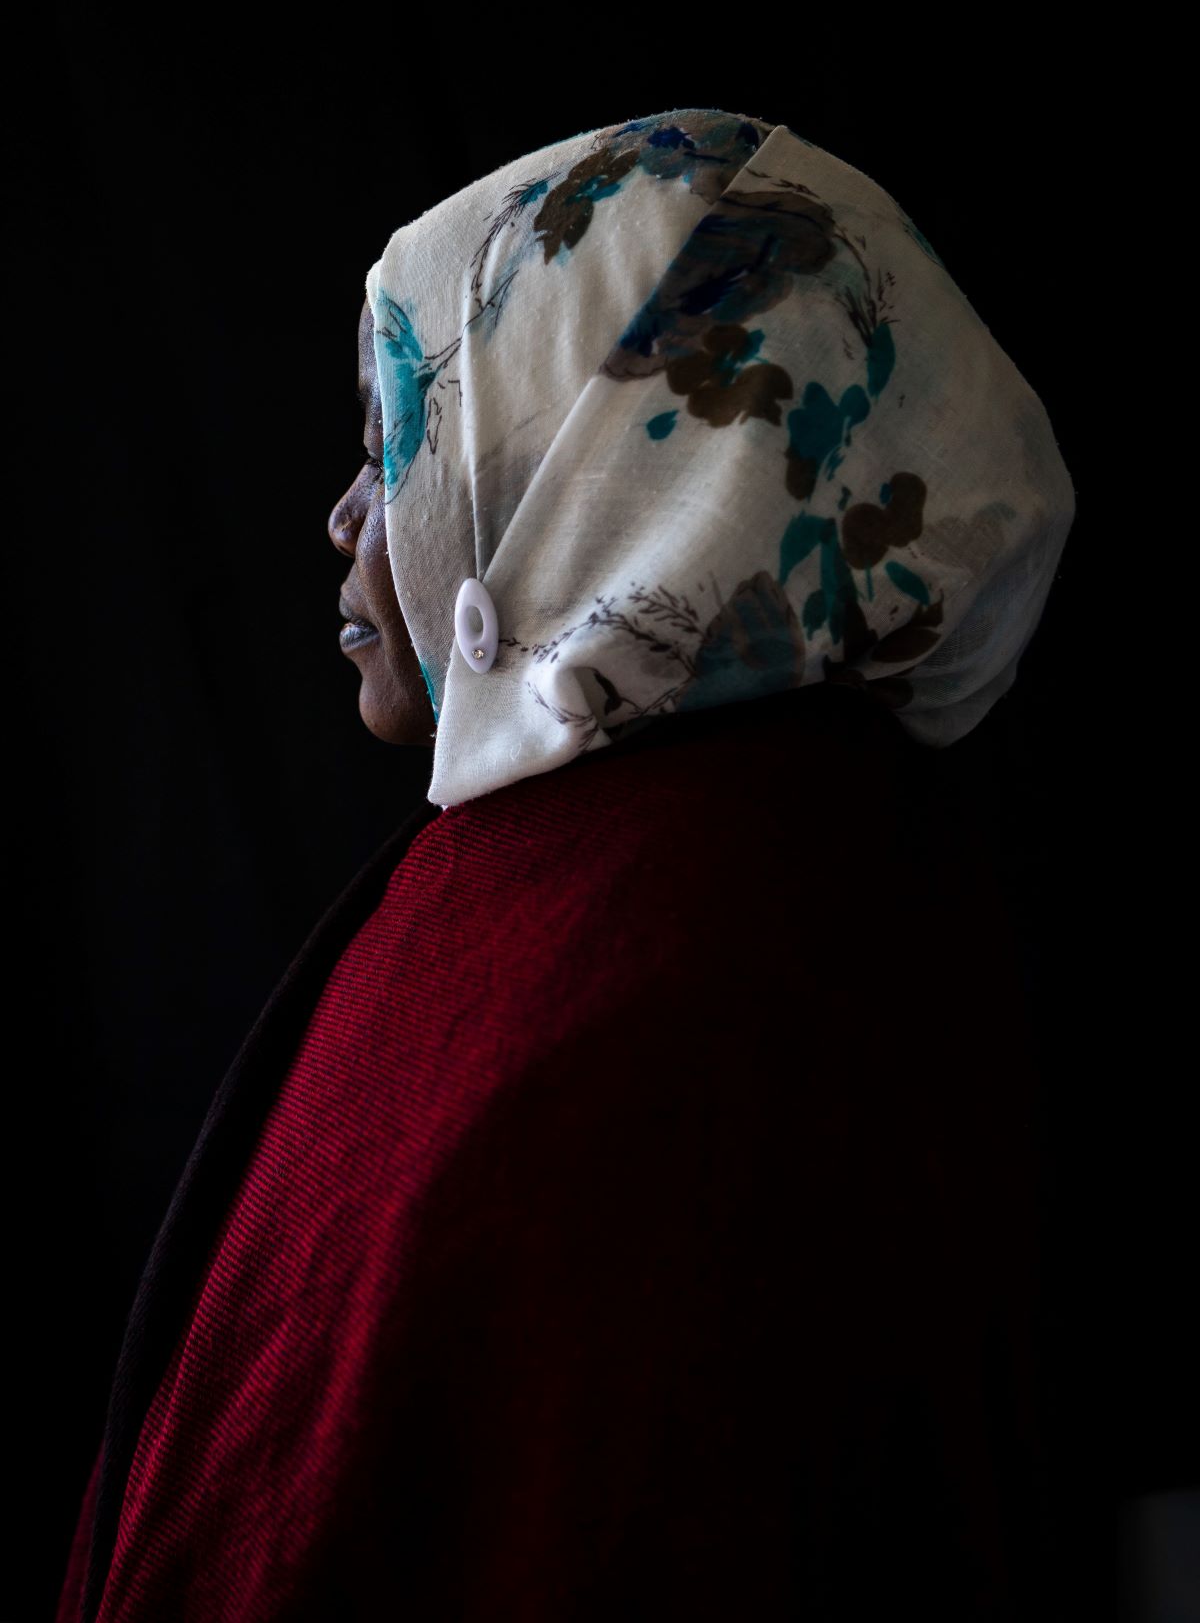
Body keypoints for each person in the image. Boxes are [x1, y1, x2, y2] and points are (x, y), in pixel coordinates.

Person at [55, 107, 1076, 1621]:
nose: (349, 514)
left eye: (399, 434)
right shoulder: (785, 852)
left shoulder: (651, 950)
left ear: (612, 451)